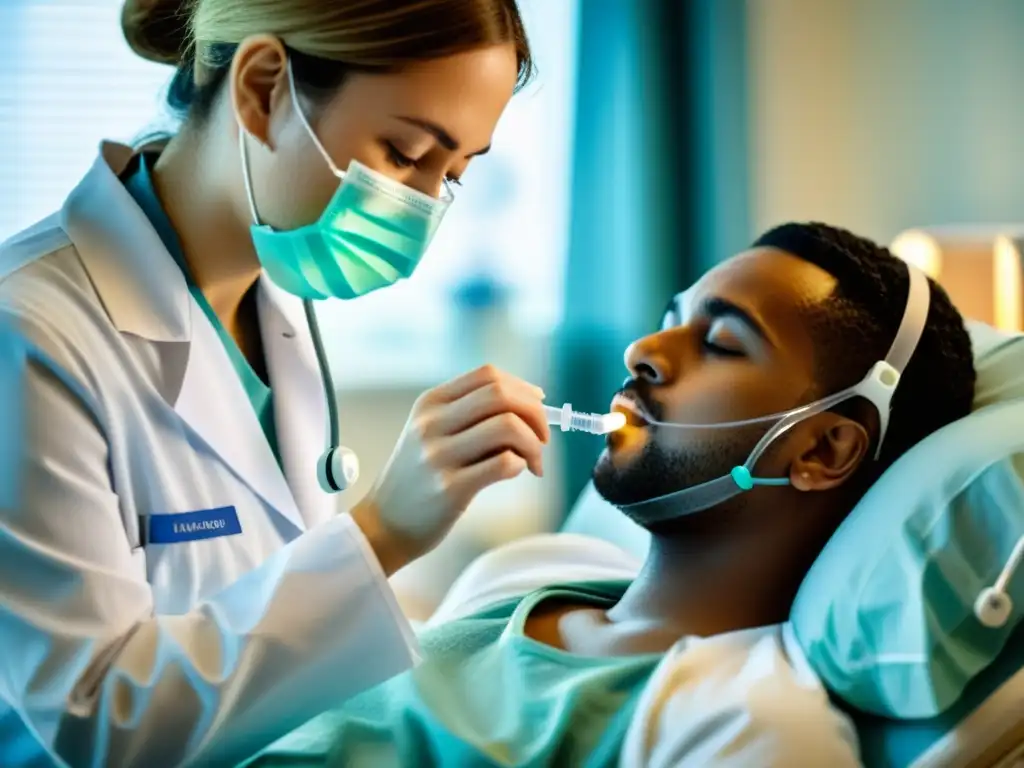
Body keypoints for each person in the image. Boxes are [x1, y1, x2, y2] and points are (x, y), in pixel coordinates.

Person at [0, 1, 553, 766]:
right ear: (262, 89)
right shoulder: (27, 333)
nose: (423, 209)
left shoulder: (280, 306)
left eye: (452, 174)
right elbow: (100, 723)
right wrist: (382, 532)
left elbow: (258, 612)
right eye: (404, 153)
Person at [244, 222, 977, 767]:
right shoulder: (526, 572)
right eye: (669, 321)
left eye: (720, 342)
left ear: (821, 449)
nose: (643, 352)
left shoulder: (741, 722)